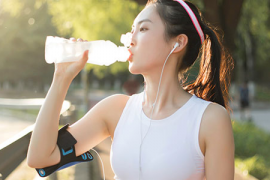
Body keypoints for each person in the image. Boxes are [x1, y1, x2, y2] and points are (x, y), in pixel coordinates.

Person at [27, 0, 235, 179]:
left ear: (178, 42)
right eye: (131, 30)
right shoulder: (115, 110)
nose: (130, 40)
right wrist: (61, 78)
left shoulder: (209, 119)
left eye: (143, 29)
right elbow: (41, 158)